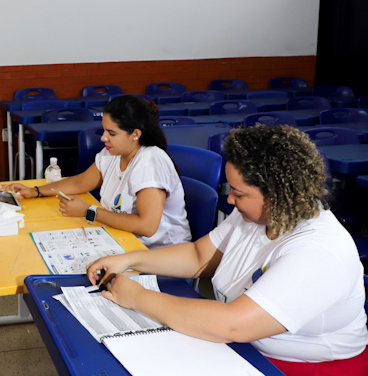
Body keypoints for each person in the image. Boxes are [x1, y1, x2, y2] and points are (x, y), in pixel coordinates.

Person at [87, 125, 368, 375]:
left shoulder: (317, 251)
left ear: (278, 195)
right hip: (246, 349)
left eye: (239, 193)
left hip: (299, 366)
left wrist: (137, 296)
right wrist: (127, 259)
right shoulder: (258, 215)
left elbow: (233, 325)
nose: (230, 199)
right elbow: (198, 257)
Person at [2, 95, 190, 248]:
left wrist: (89, 211)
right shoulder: (113, 153)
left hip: (159, 251)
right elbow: (80, 182)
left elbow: (147, 227)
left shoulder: (149, 162)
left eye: (112, 133)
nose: (103, 138)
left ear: (135, 134)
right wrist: (35, 191)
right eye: (104, 131)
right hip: (123, 241)